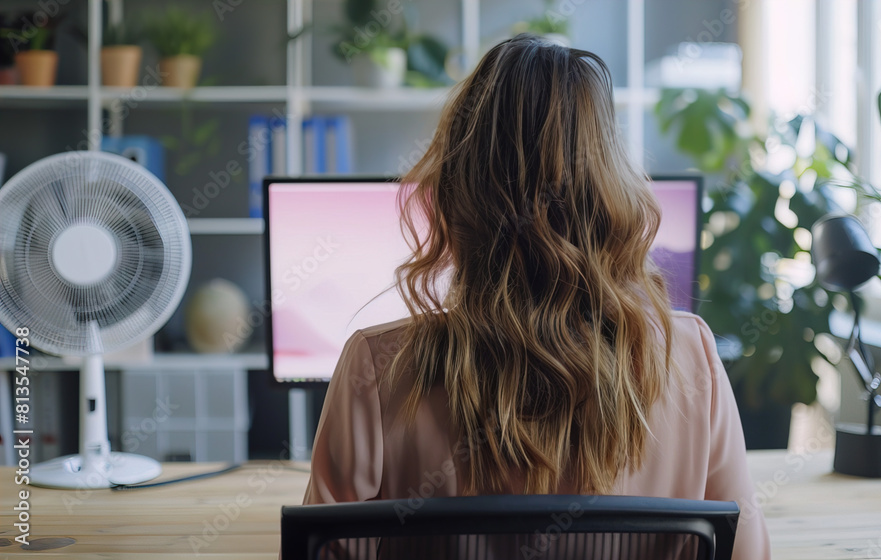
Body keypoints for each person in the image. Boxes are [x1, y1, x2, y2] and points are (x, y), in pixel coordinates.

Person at [302, 34, 771, 559]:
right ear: (611, 194)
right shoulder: (690, 356)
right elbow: (744, 553)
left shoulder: (377, 368)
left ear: (458, 193)